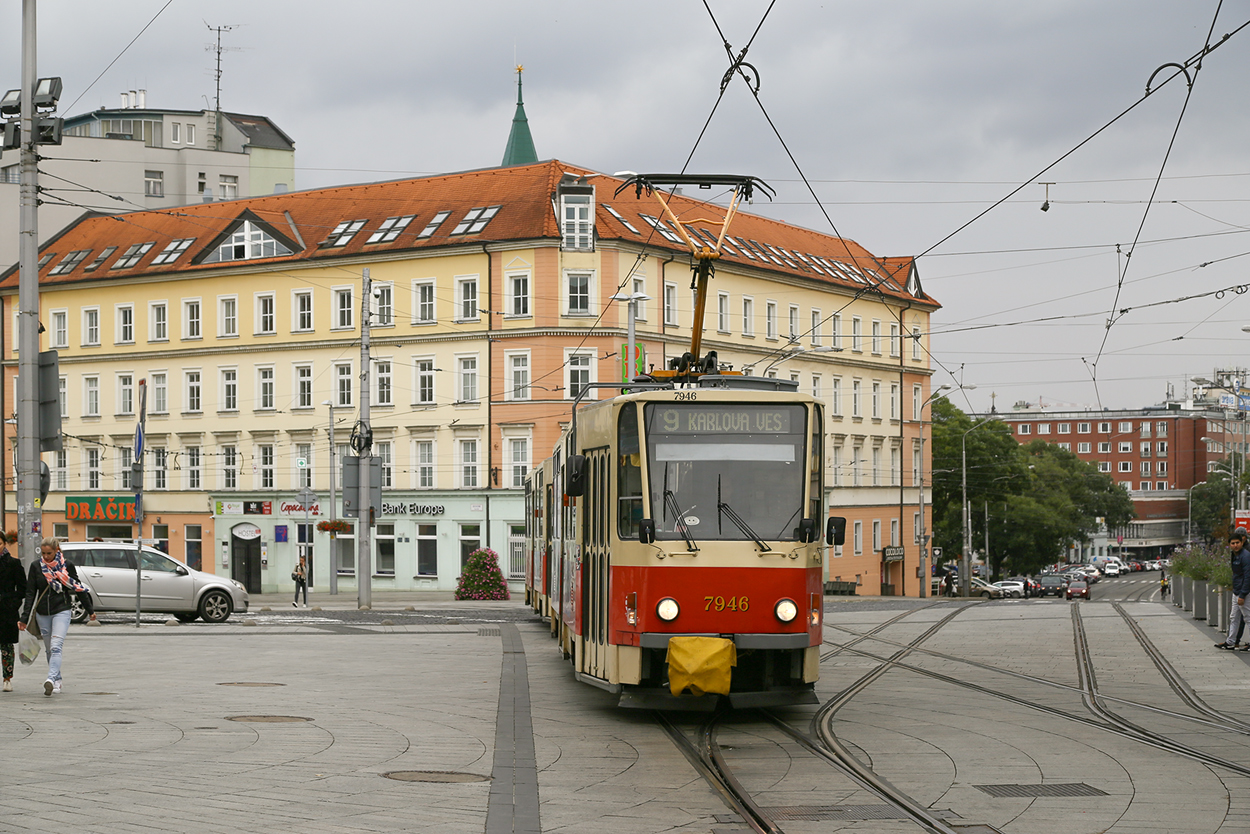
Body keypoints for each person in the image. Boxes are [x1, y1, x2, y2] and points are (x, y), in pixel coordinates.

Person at [18, 537, 95, 695]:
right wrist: (24, 618)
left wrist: (90, 610)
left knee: (55, 647)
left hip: (62, 610)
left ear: (56, 550)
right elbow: (30, 593)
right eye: (43, 553)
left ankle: (51, 679)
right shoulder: (36, 566)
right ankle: (57, 679)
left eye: (49, 553)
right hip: (42, 613)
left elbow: (78, 587)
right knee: (49, 650)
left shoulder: (67, 566)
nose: (46, 557)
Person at [1215, 528, 1250, 651]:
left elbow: (1247, 576)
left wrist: (1243, 594)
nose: (1235, 545)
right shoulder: (1235, 555)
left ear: (1242, 542)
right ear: (1229, 544)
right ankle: (1230, 641)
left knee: (1248, 617)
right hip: (1237, 591)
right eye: (1233, 543)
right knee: (1234, 617)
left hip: (1243, 593)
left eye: (1237, 543)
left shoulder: (1245, 556)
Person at [0, 532, 24, 692]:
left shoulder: (13, 563)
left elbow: (22, 588)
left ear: (4, 544)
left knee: (6, 645)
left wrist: (13, 603)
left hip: (6, 609)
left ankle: (7, 678)